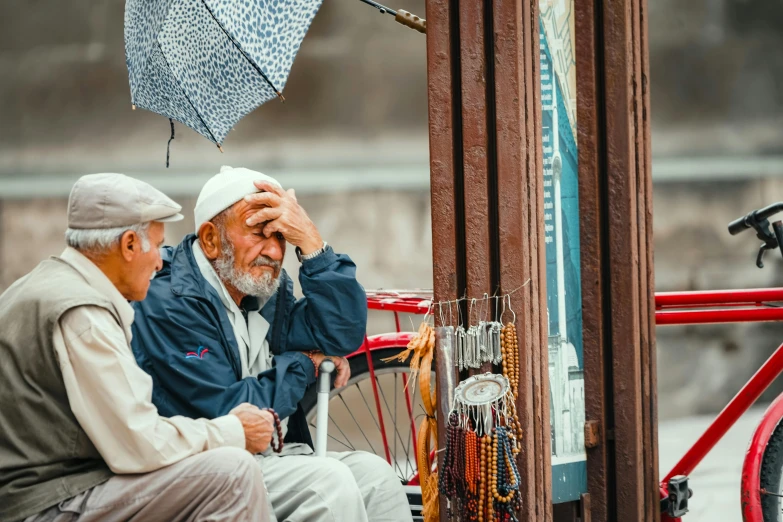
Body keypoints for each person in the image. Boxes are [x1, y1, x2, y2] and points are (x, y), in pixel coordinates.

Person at [131, 166, 413, 522]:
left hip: (266, 459)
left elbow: (342, 333)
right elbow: (230, 411)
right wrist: (304, 365)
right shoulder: (169, 300)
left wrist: (311, 243)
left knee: (377, 478)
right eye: (258, 234)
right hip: (198, 471)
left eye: (281, 235)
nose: (276, 252)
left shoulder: (263, 289)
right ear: (211, 240)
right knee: (327, 483)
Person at [0, 173, 273, 522]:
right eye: (156, 246)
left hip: (47, 490)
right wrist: (233, 430)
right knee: (233, 472)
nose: (160, 262)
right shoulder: (83, 314)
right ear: (129, 245)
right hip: (47, 503)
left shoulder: (44, 282)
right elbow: (138, 443)